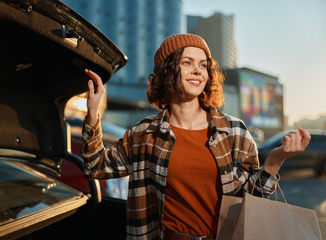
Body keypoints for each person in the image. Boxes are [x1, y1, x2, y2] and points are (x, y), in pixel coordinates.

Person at [82, 33, 310, 240]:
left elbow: (252, 201)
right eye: (186, 62)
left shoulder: (234, 132)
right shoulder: (144, 134)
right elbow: (95, 166)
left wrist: (275, 161)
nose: (198, 71)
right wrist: (92, 112)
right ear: (168, 70)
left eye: (203, 65)